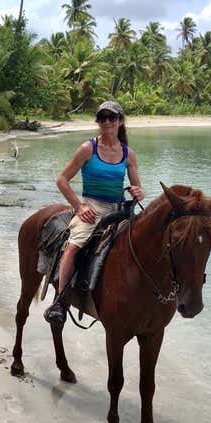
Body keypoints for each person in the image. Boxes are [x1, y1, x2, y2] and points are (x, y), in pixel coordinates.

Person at [44, 100, 145, 324]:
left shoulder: (129, 154)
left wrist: (138, 192)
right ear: (98, 121)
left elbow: (138, 189)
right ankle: (60, 302)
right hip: (92, 207)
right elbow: (62, 180)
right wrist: (79, 207)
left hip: (119, 209)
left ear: (120, 121)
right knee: (73, 247)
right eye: (102, 117)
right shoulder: (88, 148)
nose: (107, 121)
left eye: (112, 117)